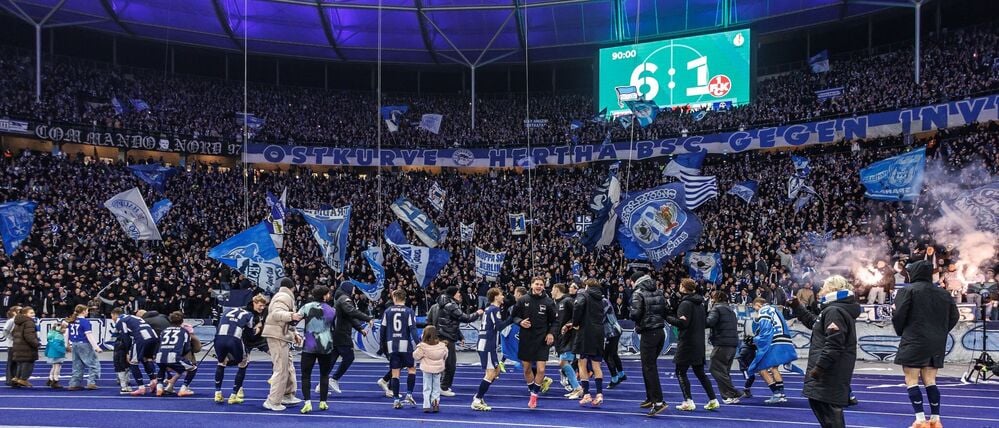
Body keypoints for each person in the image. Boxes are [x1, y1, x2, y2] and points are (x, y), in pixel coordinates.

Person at [892, 259, 959, 428]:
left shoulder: (908, 291)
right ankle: (935, 420)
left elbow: (899, 315)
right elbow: (954, 317)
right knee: (930, 380)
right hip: (935, 342)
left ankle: (921, 420)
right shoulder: (944, 293)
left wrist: (901, 331)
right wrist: (940, 331)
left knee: (911, 380)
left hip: (914, 339)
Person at [789, 275, 862, 428]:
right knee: (823, 408)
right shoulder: (832, 309)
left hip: (829, 371)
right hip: (829, 370)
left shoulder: (834, 311)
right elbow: (814, 323)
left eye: (824, 287)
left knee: (828, 411)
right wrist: (797, 306)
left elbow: (834, 344)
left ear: (833, 288)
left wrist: (820, 368)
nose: (821, 290)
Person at [666, 278, 720, 411]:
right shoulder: (700, 304)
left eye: (680, 284)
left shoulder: (685, 304)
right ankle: (713, 399)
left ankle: (688, 401)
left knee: (680, 371)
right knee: (700, 372)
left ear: (684, 288)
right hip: (698, 343)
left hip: (687, 343)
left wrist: (666, 317)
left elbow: (683, 323)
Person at [511, 276, 557, 409]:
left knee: (541, 370)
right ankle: (532, 390)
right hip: (526, 338)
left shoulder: (549, 302)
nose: (539, 286)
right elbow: (513, 316)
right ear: (531, 285)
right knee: (526, 369)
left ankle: (534, 396)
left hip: (542, 339)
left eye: (541, 284)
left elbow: (555, 321)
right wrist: (520, 322)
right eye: (537, 284)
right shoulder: (522, 300)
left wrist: (551, 333)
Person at [262, 278, 304, 411]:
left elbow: (286, 321)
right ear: (293, 287)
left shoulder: (283, 296)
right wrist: (292, 315)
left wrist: (295, 333)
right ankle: (272, 401)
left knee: (288, 365)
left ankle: (287, 394)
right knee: (281, 368)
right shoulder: (283, 296)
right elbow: (276, 314)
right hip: (277, 336)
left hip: (281, 335)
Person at [630, 270, 668, 416]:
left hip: (648, 332)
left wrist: (633, 313)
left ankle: (658, 402)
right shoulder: (658, 291)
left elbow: (635, 314)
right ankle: (651, 397)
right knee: (649, 366)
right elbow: (665, 309)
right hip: (660, 332)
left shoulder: (638, 293)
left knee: (649, 367)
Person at [434, 286, 482, 397]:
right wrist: (478, 313)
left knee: (445, 364)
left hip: (444, 335)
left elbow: (451, 322)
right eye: (458, 292)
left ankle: (441, 385)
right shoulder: (450, 305)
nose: (460, 294)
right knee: (450, 365)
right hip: (446, 337)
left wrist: (460, 336)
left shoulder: (444, 303)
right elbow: (464, 317)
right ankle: (443, 387)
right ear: (453, 294)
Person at [748, 297, 798, 404]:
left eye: (755, 308)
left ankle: (776, 394)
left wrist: (756, 340)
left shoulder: (764, 310)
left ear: (758, 304)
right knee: (774, 368)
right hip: (785, 340)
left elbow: (766, 329)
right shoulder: (774, 309)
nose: (755, 310)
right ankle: (781, 394)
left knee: (761, 368)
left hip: (775, 341)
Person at [298, 285, 337, 414]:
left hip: (309, 345)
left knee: (305, 375)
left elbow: (294, 319)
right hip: (326, 346)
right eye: (328, 294)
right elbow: (334, 327)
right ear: (325, 295)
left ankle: (307, 402)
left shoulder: (306, 307)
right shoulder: (332, 310)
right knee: (324, 374)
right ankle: (323, 402)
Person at [329, 282, 372, 396]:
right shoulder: (345, 299)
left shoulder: (341, 299)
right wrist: (368, 318)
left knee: (332, 360)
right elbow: (352, 312)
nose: (354, 291)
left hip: (337, 333)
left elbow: (349, 317)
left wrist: (359, 329)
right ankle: (334, 379)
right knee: (349, 357)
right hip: (342, 334)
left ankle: (322, 382)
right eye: (353, 288)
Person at [381, 289, 420, 409]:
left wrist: (383, 347)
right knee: (412, 369)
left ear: (394, 298)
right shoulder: (409, 311)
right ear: (404, 298)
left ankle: (396, 400)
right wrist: (419, 344)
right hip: (405, 344)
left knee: (395, 373)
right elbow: (413, 329)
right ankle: (409, 394)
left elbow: (382, 331)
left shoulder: (387, 311)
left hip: (392, 344)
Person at [572, 278, 607, 407]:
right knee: (596, 365)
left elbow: (578, 306)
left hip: (586, 332)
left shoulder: (583, 294)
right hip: (599, 332)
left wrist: (575, 323)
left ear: (586, 285)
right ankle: (599, 394)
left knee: (582, 363)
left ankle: (586, 394)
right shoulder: (601, 298)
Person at [213, 300, 256, 404]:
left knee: (221, 362)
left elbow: (218, 323)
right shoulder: (249, 314)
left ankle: (217, 393)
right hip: (234, 339)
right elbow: (250, 334)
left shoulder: (227, 310)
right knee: (243, 363)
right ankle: (234, 395)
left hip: (219, 338)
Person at [111, 307, 160, 396]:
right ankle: (153, 380)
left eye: (112, 316)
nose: (112, 319)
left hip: (141, 338)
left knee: (133, 362)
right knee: (145, 359)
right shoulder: (132, 317)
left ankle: (141, 387)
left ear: (114, 315)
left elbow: (125, 337)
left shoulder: (120, 321)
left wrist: (127, 352)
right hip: (153, 337)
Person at [471, 287, 505, 411]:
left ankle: (478, 396)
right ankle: (477, 399)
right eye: (501, 294)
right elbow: (500, 326)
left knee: (496, 372)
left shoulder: (489, 309)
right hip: (488, 345)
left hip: (487, 343)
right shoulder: (495, 309)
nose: (503, 297)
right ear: (495, 297)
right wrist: (513, 319)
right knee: (491, 373)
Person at [706, 290, 741, 404]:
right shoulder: (731, 310)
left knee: (715, 368)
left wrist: (700, 317)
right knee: (724, 371)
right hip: (732, 343)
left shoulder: (717, 309)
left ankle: (733, 392)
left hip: (722, 343)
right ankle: (728, 396)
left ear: (716, 298)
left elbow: (709, 322)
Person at [154, 311, 198, 397]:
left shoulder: (164, 331)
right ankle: (183, 389)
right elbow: (187, 347)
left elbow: (159, 343)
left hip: (159, 356)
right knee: (193, 368)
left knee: (162, 368)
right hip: (174, 356)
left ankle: (159, 387)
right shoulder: (184, 332)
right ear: (182, 321)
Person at [552, 283, 582, 398]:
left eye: (552, 290)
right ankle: (576, 388)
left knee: (564, 362)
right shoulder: (556, 303)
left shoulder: (568, 300)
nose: (551, 292)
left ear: (556, 289)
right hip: (561, 338)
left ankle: (578, 388)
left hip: (569, 337)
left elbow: (577, 314)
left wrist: (569, 324)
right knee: (564, 362)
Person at [414, 325, 448, 413]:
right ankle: (435, 404)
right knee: (436, 387)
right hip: (438, 370)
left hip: (427, 370)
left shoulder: (422, 346)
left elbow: (416, 356)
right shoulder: (442, 346)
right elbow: (445, 356)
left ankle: (426, 405)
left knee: (427, 387)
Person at [9, 307, 40, 387]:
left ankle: (17, 377)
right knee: (28, 363)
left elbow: (13, 333)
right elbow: (29, 336)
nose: (33, 314)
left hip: (18, 346)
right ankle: (23, 379)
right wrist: (36, 343)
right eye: (31, 313)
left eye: (33, 312)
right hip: (27, 347)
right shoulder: (29, 322)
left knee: (20, 363)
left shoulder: (17, 322)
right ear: (25, 314)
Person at [603, 291, 626, 390]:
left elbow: (601, 318)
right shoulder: (605, 300)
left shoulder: (601, 302)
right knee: (613, 354)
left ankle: (615, 378)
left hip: (610, 332)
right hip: (615, 330)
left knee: (607, 355)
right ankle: (621, 374)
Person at [44, 321, 68, 388]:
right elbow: (56, 345)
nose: (65, 330)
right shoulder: (59, 336)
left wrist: (46, 353)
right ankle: (55, 381)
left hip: (51, 353)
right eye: (63, 328)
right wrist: (64, 350)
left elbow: (49, 345)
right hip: (57, 354)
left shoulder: (51, 335)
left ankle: (50, 379)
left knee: (54, 367)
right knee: (57, 367)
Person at [3, 306, 21, 386]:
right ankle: (10, 380)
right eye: (19, 310)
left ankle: (16, 379)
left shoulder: (20, 320)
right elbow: (5, 331)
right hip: (12, 345)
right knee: (11, 363)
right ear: (14, 312)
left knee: (18, 363)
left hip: (19, 345)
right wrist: (12, 339)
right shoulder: (11, 321)